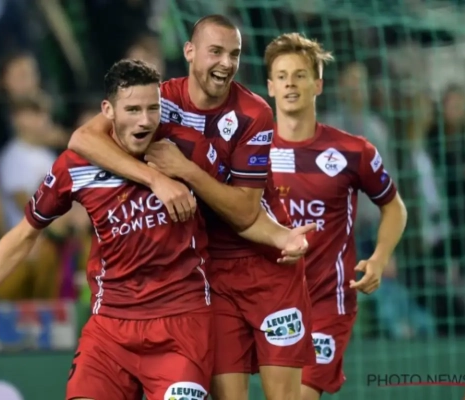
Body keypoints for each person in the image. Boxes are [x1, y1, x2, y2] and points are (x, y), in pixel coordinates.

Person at [0, 59, 312, 400]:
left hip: (181, 324)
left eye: (152, 108)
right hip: (110, 327)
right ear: (108, 110)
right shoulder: (76, 166)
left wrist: (281, 235)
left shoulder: (185, 151)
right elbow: (26, 232)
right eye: (132, 109)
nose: (144, 120)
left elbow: (236, 209)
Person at [68, 15, 315, 400]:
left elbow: (244, 213)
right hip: (209, 273)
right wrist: (156, 179)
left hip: (268, 262)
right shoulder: (157, 101)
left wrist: (184, 171)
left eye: (234, 54)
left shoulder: (253, 113)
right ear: (189, 51)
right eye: (215, 52)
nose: (226, 63)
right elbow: (83, 139)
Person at [264, 33, 408, 400]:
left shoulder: (352, 151)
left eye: (300, 75)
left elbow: (394, 207)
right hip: (269, 298)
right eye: (282, 76)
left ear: (318, 84)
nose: (290, 84)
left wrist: (379, 258)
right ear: (270, 86)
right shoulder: (252, 151)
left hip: (329, 301)